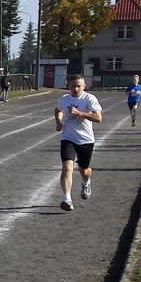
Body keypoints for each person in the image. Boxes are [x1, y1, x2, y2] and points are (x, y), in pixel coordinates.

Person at [55, 73, 102, 211]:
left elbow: (98, 118)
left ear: (84, 86)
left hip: (86, 140)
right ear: (68, 86)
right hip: (68, 138)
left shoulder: (89, 99)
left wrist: (79, 113)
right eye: (73, 86)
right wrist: (58, 122)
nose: (75, 89)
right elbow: (58, 110)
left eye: (78, 86)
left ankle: (86, 180)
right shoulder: (64, 99)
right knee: (67, 167)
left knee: (84, 170)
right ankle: (67, 199)